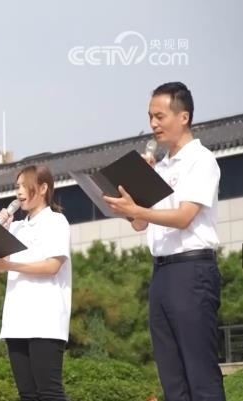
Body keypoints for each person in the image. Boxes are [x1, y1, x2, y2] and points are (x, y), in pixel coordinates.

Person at [105, 82, 225, 400]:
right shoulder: (159, 167)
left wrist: (137, 209)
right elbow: (140, 223)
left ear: (183, 117)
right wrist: (129, 203)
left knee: (200, 374)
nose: (153, 124)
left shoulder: (200, 160)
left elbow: (185, 217)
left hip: (192, 271)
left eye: (160, 116)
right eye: (150, 117)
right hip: (161, 273)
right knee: (172, 378)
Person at [0, 164, 72, 401]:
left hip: (45, 320)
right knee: (27, 394)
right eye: (17, 187)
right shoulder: (17, 227)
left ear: (43, 188)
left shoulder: (56, 221)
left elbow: (52, 266)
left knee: (49, 391)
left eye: (25, 186)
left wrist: (10, 265)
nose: (19, 192)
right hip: (17, 321)